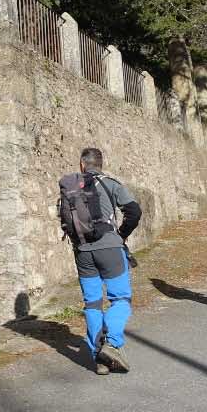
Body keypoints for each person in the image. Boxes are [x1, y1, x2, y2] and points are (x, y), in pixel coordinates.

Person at [58, 147, 142, 375]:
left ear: (81, 164)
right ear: (101, 163)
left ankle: (99, 358)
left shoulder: (71, 188)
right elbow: (134, 211)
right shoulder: (110, 183)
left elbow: (65, 220)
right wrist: (122, 234)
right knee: (120, 298)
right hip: (110, 250)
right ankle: (112, 344)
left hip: (83, 252)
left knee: (93, 303)